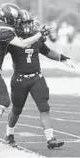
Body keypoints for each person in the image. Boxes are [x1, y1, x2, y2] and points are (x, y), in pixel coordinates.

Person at [5, 10, 74, 149]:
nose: (27, 26)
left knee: (44, 108)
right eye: (24, 23)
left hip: (37, 77)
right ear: (18, 24)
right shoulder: (13, 40)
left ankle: (50, 139)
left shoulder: (37, 37)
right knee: (16, 110)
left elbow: (47, 51)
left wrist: (62, 58)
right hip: (19, 79)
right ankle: (9, 134)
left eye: (29, 22)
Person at [0, 3, 51, 142]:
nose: (16, 23)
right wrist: (39, 34)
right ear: (7, 19)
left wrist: (36, 34)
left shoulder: (0, 27)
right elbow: (22, 43)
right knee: (4, 101)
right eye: (14, 20)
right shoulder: (2, 29)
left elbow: (24, 37)